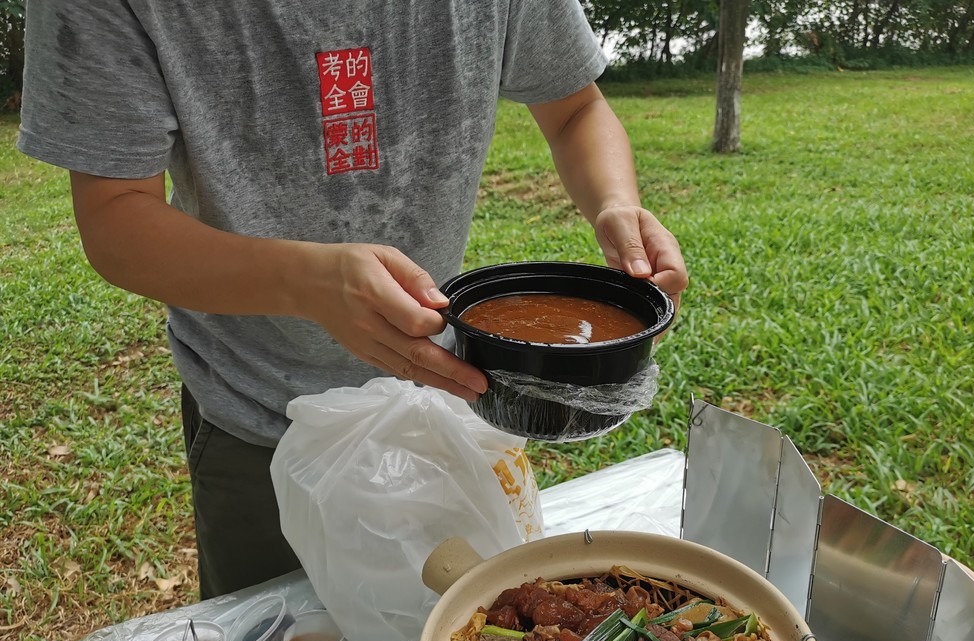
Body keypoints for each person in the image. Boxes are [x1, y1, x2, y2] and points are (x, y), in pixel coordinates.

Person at [18, 1, 689, 598]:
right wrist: (303, 283)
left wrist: (616, 203)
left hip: (445, 401)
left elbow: (576, 108)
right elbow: (114, 219)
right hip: (260, 422)